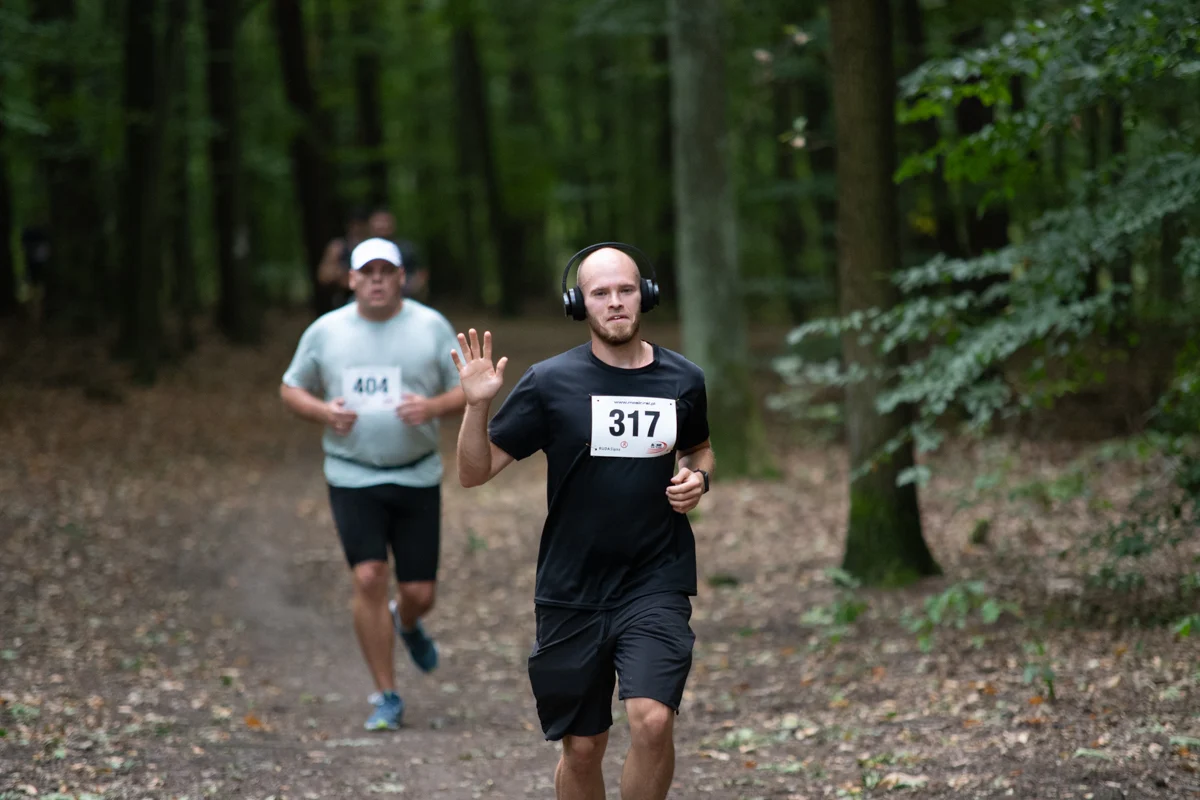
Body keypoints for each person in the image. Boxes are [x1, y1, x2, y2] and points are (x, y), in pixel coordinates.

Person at [450, 244, 715, 800]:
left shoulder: (684, 378)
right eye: (600, 293)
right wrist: (476, 407)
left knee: (653, 721)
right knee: (583, 747)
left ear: (646, 294)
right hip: (572, 586)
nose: (615, 302)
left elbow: (699, 448)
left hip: (655, 577)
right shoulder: (550, 382)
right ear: (579, 304)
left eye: (626, 289)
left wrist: (698, 476)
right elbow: (474, 472)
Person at [280, 236, 465, 731]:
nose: (377, 280)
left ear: (402, 277)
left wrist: (431, 407)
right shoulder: (326, 331)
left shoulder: (430, 326)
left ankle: (407, 620)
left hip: (416, 472)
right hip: (352, 473)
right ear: (352, 279)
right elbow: (291, 388)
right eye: (368, 272)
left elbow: (466, 389)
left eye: (387, 272)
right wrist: (324, 411)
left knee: (420, 591)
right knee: (368, 576)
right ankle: (387, 695)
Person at [317, 207, 370, 306]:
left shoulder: (373, 247)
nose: (357, 228)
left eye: (360, 224)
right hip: (343, 300)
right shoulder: (338, 247)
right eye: (354, 224)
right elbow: (324, 276)